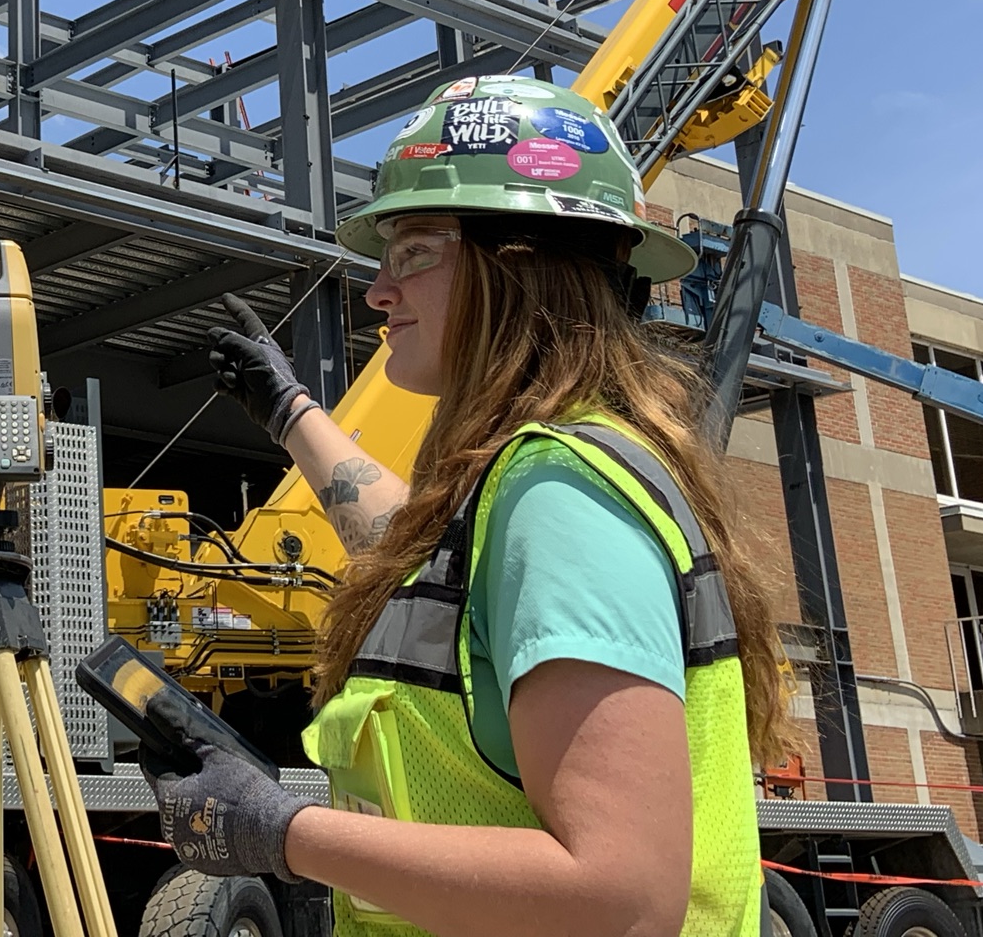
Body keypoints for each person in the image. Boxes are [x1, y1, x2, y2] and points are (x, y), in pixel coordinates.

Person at [153, 75, 787, 937]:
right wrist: (290, 413)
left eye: (413, 250)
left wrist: (283, 832)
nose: (378, 291)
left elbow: (620, 895)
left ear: (517, 261)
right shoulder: (544, 479)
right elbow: (412, 552)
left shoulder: (561, 494)